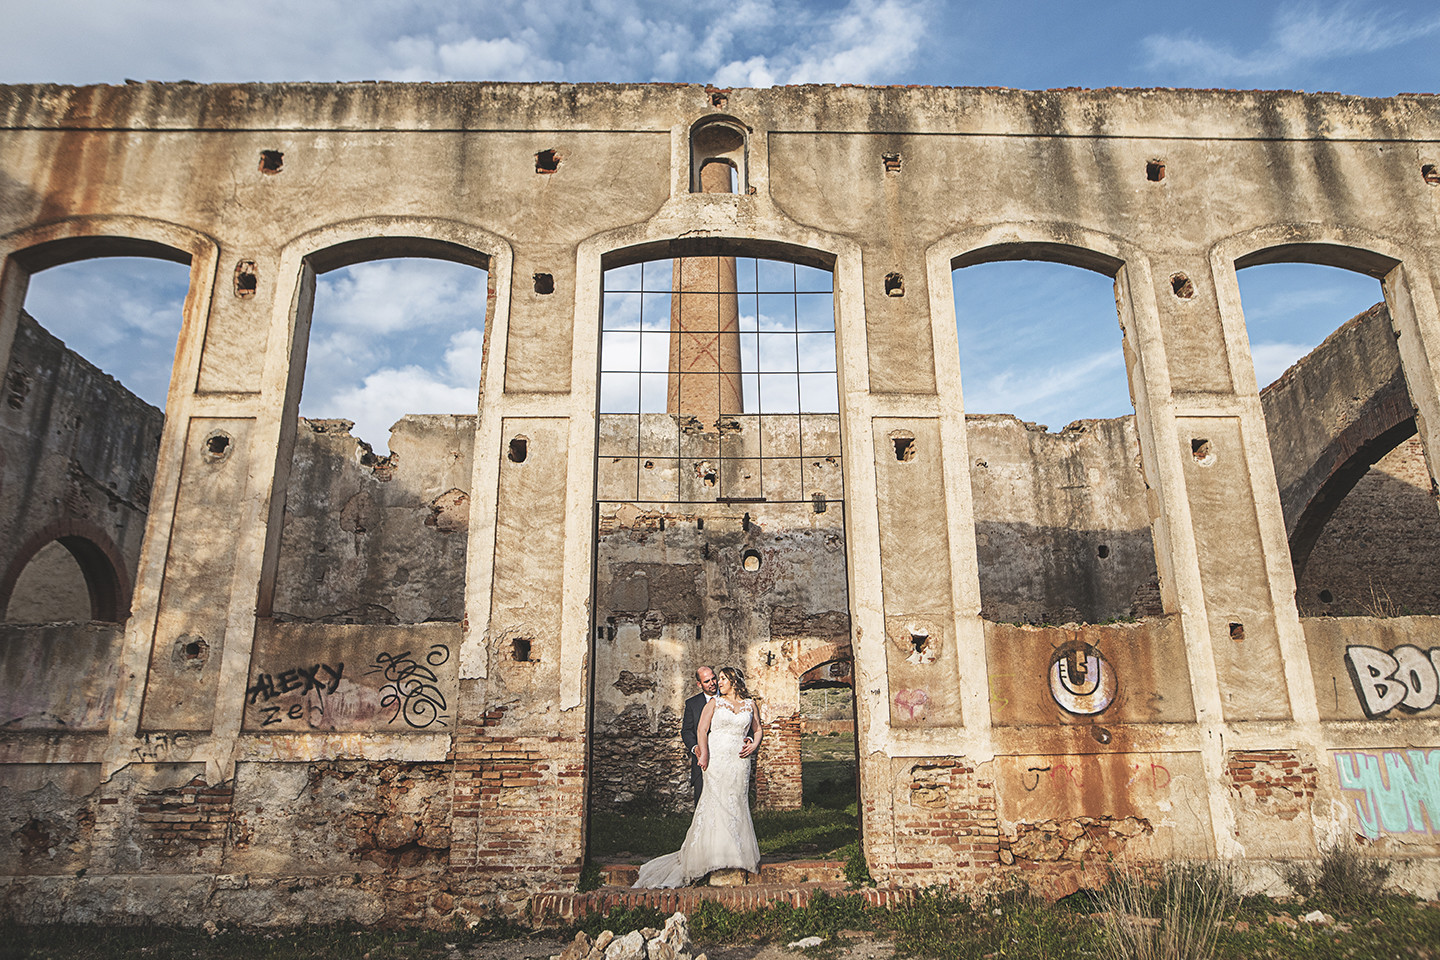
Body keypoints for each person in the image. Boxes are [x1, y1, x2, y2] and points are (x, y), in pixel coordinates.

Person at [634, 666, 763, 888]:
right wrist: (702, 754)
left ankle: (735, 855)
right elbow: (700, 730)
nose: (717, 683)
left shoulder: (750, 704)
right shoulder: (714, 703)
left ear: (733, 680)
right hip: (717, 759)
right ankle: (712, 856)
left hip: (739, 762)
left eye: (721, 678)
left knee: (736, 804)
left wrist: (753, 743)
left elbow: (758, 729)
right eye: (714, 680)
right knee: (716, 804)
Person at [681, 666, 718, 802]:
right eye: (707, 681)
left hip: (724, 756)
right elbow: (686, 731)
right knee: (702, 798)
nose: (712, 683)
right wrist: (695, 747)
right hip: (702, 758)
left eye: (713, 678)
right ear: (699, 684)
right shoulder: (692, 704)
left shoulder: (729, 699)